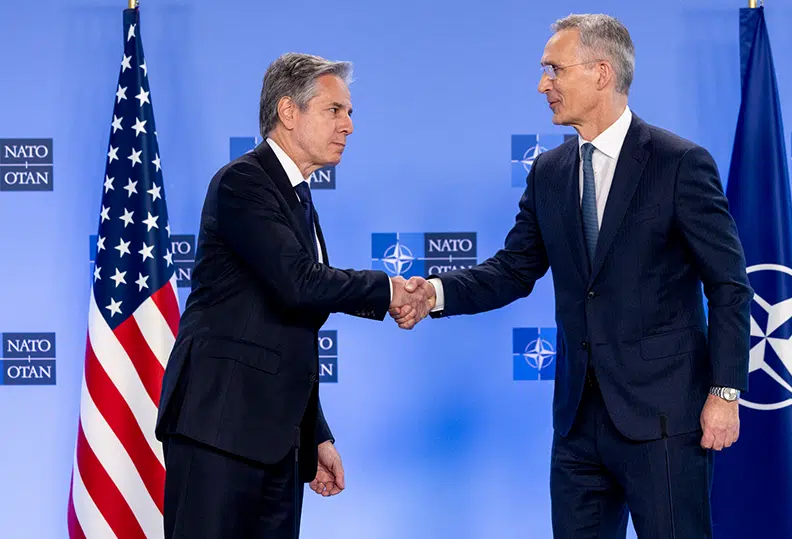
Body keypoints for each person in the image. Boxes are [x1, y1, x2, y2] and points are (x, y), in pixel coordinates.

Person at [394, 13, 753, 539]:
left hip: (664, 422)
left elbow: (728, 285)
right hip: (577, 426)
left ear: (601, 72)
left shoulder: (679, 163)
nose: (543, 85)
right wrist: (434, 294)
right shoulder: (549, 172)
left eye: (554, 70)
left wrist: (725, 391)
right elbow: (513, 269)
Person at [155, 53, 431, 539]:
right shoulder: (243, 182)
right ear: (288, 111)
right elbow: (298, 283)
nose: (348, 125)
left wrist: (314, 434)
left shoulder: (298, 197)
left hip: (277, 442)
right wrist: (387, 289)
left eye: (349, 113)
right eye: (334, 110)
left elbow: (286, 328)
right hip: (219, 430)